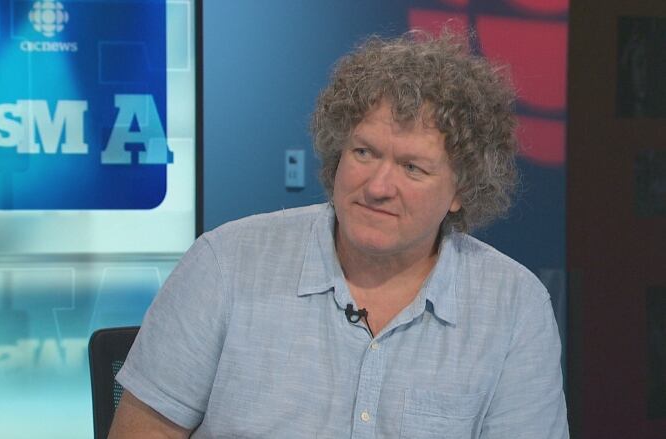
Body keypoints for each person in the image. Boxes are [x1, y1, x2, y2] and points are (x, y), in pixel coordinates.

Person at [109, 30, 569, 438]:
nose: (378, 187)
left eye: (413, 167)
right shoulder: (223, 263)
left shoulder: (514, 307)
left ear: (460, 190)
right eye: (364, 152)